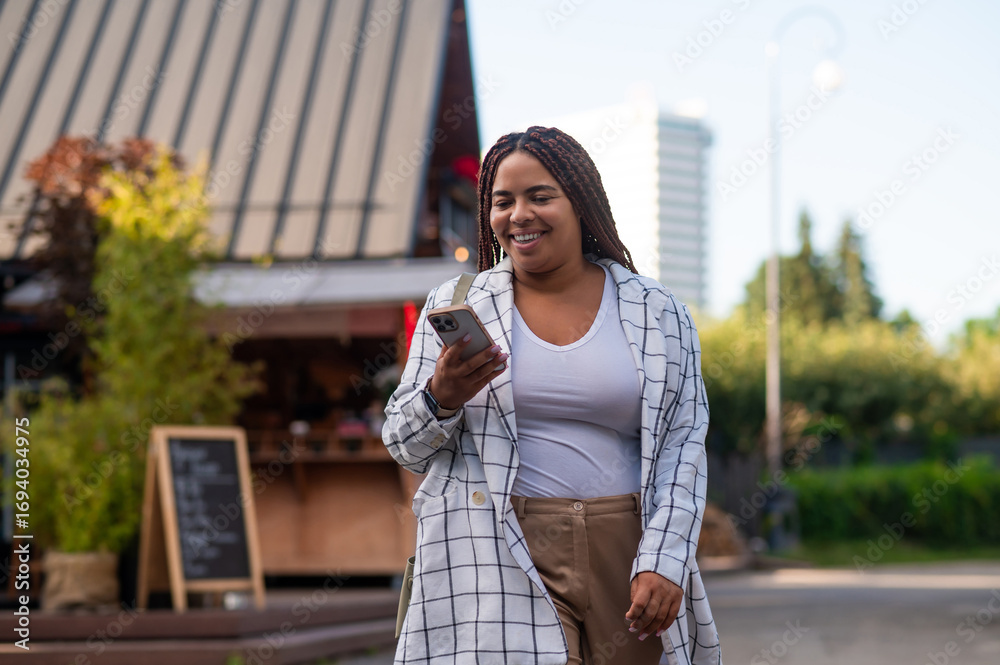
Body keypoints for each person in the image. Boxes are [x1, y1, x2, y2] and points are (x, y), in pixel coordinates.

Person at [384, 126, 721, 665]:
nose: (519, 215)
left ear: (581, 204)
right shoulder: (455, 303)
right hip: (500, 544)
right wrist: (440, 395)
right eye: (502, 201)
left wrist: (666, 557)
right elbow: (403, 445)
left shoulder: (657, 311)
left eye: (540, 196)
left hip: (629, 544)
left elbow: (685, 442)